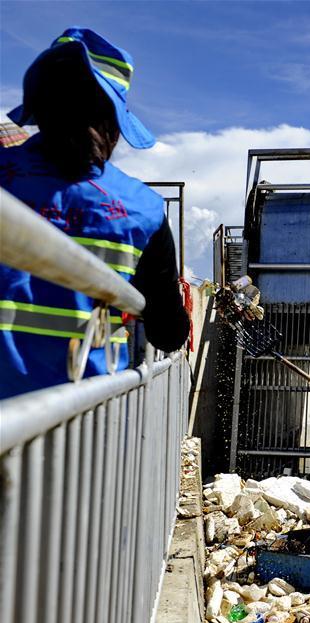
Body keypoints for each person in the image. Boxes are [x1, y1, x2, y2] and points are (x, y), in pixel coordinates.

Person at [0, 27, 189, 398]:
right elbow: (168, 332)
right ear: (115, 121)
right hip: (78, 427)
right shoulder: (141, 209)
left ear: (39, 104)